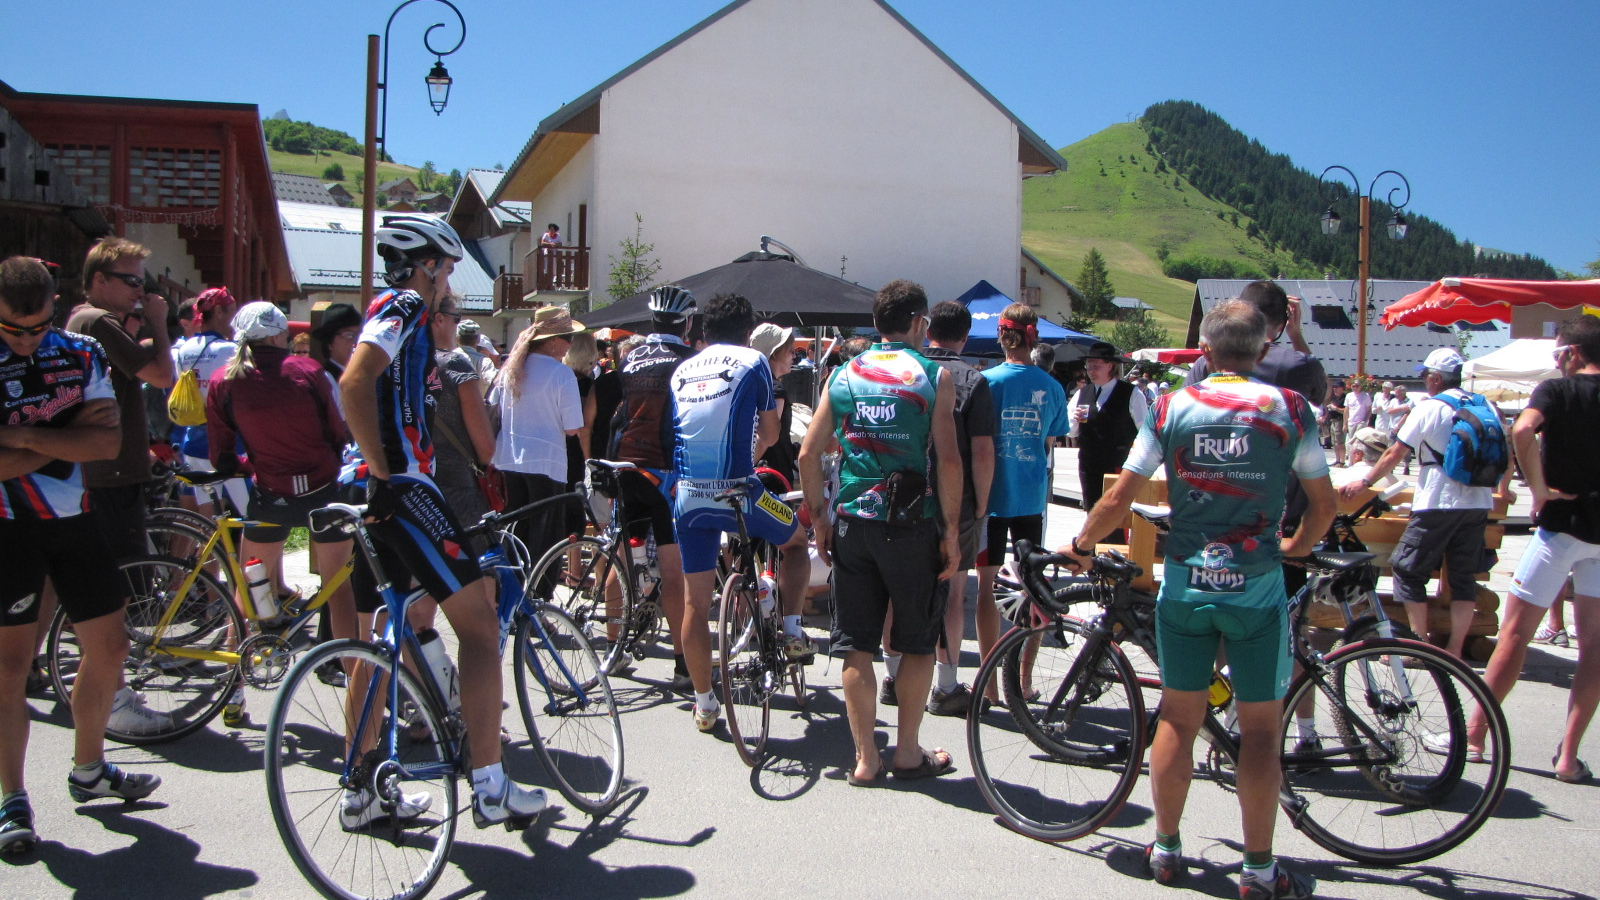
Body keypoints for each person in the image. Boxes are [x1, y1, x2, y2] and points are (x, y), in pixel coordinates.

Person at [1062, 299, 1334, 899]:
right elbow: (1325, 507)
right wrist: (1292, 548)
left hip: (1186, 582)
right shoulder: (1291, 408)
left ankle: (1164, 849)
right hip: (1256, 587)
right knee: (1262, 734)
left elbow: (1117, 499)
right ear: (1263, 349)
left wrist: (1081, 543)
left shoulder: (1171, 405)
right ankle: (1260, 871)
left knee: (1179, 721)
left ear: (1205, 352)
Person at [340, 213, 546, 828]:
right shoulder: (404, 303)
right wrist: (386, 472)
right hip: (405, 490)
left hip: (391, 491)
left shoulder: (407, 318)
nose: (449, 282)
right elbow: (354, 384)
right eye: (448, 268)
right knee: (480, 630)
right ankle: (490, 784)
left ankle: (361, 787)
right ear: (426, 266)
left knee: (386, 633)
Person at [0, 257, 161, 854]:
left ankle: (89, 768)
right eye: (12, 329)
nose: (24, 340)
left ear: (53, 306)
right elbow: (77, 442)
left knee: (112, 647)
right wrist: (64, 441)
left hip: (75, 520)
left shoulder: (80, 353)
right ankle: (12, 797)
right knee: (10, 668)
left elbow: (107, 441)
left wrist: (20, 436)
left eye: (35, 327)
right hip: (8, 527)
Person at [799, 279, 961, 784]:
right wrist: (952, 531)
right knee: (916, 643)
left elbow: (808, 453)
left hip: (853, 523)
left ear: (875, 323)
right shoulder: (933, 375)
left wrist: (821, 517)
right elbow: (949, 459)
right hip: (912, 524)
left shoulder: (845, 374)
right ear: (919, 323)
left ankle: (866, 758)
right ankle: (908, 752)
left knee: (856, 644)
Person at [206, 301, 356, 727]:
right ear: (278, 336)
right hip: (324, 490)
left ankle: (232, 689)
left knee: (249, 586)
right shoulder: (307, 372)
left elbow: (221, 451)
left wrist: (248, 465)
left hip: (269, 494)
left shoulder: (225, 380)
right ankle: (358, 688)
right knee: (338, 590)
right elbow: (336, 431)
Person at [1464, 317, 1600, 782]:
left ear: (1572, 353)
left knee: (1516, 634)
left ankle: (1477, 735)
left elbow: (1522, 430)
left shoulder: (1557, 392)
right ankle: (1568, 755)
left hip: (1561, 527)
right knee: (1594, 646)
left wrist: (1539, 489)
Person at [672, 294, 811, 733]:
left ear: (704, 330)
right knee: (796, 542)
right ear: (748, 331)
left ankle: (704, 703)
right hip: (740, 494)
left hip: (688, 497)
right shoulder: (754, 363)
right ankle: (790, 630)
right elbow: (771, 433)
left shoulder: (682, 369)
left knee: (696, 603)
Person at [1338, 348, 1495, 658]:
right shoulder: (1484, 404)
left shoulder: (1431, 407)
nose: (1424, 380)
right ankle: (1453, 649)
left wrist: (1365, 482)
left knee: (1407, 571)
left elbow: (1395, 452)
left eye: (1425, 376)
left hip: (1438, 500)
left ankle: (1415, 647)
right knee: (1462, 578)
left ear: (1436, 378)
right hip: (1478, 501)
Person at [881, 300, 994, 716]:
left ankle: (892, 677)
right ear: (964, 337)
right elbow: (981, 453)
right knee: (952, 593)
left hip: (901, 495)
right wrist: (981, 505)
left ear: (927, 331)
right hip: (954, 498)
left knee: (896, 591)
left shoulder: (905, 368)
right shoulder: (972, 379)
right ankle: (946, 686)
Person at [977, 305, 1070, 699]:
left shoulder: (985, 382)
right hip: (1030, 498)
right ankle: (1023, 681)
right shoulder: (1051, 386)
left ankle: (989, 683)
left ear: (1001, 336)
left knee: (985, 590)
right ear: (1034, 338)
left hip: (989, 498)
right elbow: (1049, 442)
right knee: (1035, 588)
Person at [609, 286, 698, 688]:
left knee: (622, 557)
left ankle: (613, 649)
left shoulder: (629, 357)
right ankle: (682, 663)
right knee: (672, 569)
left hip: (625, 467)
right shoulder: (688, 361)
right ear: (688, 323)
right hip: (664, 473)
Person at [66, 238, 176, 564]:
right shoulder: (99, 321)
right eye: (131, 281)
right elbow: (161, 376)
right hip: (111, 472)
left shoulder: (82, 317)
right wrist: (158, 320)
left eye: (142, 282)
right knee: (125, 580)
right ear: (100, 279)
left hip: (103, 468)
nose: (140, 291)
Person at [490, 306, 588, 567]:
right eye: (568, 338)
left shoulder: (509, 369)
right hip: (546, 462)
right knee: (545, 543)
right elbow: (572, 428)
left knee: (512, 535)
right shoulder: (561, 374)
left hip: (508, 460)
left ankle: (508, 596)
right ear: (554, 340)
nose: (570, 344)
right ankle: (538, 600)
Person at [169, 287, 249, 516]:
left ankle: (210, 553)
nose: (235, 320)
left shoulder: (183, 349)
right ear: (219, 312)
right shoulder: (231, 350)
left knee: (209, 519)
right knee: (253, 517)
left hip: (192, 443)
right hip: (227, 446)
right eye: (232, 312)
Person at [426, 294, 496, 550]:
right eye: (456, 319)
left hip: (410, 485)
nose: (457, 327)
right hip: (455, 486)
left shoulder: (396, 361)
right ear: (439, 319)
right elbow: (486, 448)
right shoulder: (453, 363)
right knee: (485, 569)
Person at [1187, 284, 1328, 407]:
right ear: (1282, 324)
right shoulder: (1301, 364)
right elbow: (1326, 396)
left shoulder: (1209, 360)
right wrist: (1295, 334)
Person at [1069, 340, 1147, 520]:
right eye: (1088, 366)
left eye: (1096, 366)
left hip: (1118, 465)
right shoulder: (1083, 393)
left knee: (1115, 516)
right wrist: (1076, 419)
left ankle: (1114, 548)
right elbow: (1071, 432)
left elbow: (1145, 431)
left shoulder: (1131, 393)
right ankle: (1095, 549)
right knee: (1093, 513)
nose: (1091, 371)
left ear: (1110, 366)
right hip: (1089, 465)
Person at [751, 322, 799, 485]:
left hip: (760, 474)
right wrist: (743, 469)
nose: (794, 356)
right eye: (791, 351)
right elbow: (765, 436)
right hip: (773, 476)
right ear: (775, 354)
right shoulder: (774, 388)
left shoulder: (754, 382)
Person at [1322, 380, 1349, 465]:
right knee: (1334, 442)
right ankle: (1337, 460)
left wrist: (1336, 408)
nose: (1335, 389)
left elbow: (1346, 411)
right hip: (1332, 421)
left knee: (1340, 442)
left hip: (1339, 421)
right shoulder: (1334, 398)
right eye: (1334, 387)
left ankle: (1342, 461)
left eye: (1337, 387)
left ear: (1342, 388)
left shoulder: (1344, 398)